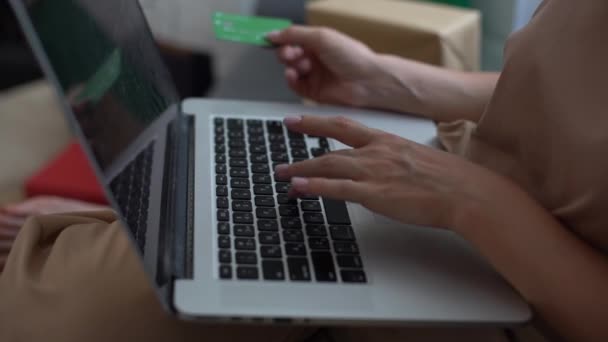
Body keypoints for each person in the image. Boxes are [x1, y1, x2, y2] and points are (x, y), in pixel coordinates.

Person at [1, 1, 607, 341]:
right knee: (177, 211)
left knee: (43, 310)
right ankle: (129, 223)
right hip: (458, 169)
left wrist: (471, 202)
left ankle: (110, 230)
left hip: (526, 278)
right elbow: (563, 93)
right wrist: (394, 80)